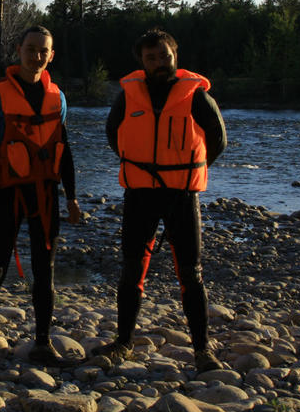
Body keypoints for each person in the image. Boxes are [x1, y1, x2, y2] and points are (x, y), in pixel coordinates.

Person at [93, 28, 227, 374]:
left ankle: (202, 351)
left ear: (175, 56)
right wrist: (137, 165)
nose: (158, 63)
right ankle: (123, 343)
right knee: (131, 270)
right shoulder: (128, 96)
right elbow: (113, 132)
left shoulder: (196, 95)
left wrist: (192, 168)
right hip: (140, 194)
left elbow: (218, 138)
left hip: (181, 195)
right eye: (151, 58)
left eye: (164, 56)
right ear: (143, 61)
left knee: (190, 274)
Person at [0, 25, 81, 378]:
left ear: (51, 55)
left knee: (44, 273)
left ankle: (43, 345)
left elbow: (65, 152)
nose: (36, 56)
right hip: (7, 196)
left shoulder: (57, 97)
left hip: (45, 196)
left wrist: (72, 197)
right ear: (18, 50)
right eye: (30, 49)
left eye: (42, 50)